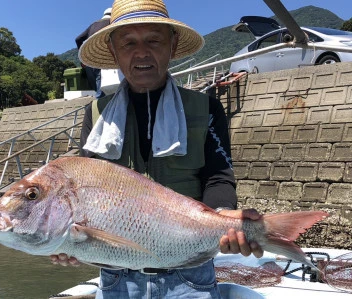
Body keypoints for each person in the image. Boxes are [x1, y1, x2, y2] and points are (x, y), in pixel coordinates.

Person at [52, 0, 263, 297]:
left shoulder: (206, 108)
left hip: (190, 277)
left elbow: (218, 177)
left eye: (154, 40)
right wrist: (66, 243)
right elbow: (85, 192)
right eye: (128, 43)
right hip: (116, 279)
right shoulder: (97, 114)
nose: (141, 52)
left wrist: (225, 217)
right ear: (113, 51)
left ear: (172, 45)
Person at [75, 7, 111, 99]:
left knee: (97, 84)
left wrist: (82, 58)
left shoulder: (93, 25)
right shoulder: (112, 23)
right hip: (106, 58)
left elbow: (78, 39)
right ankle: (99, 108)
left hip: (91, 59)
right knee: (102, 88)